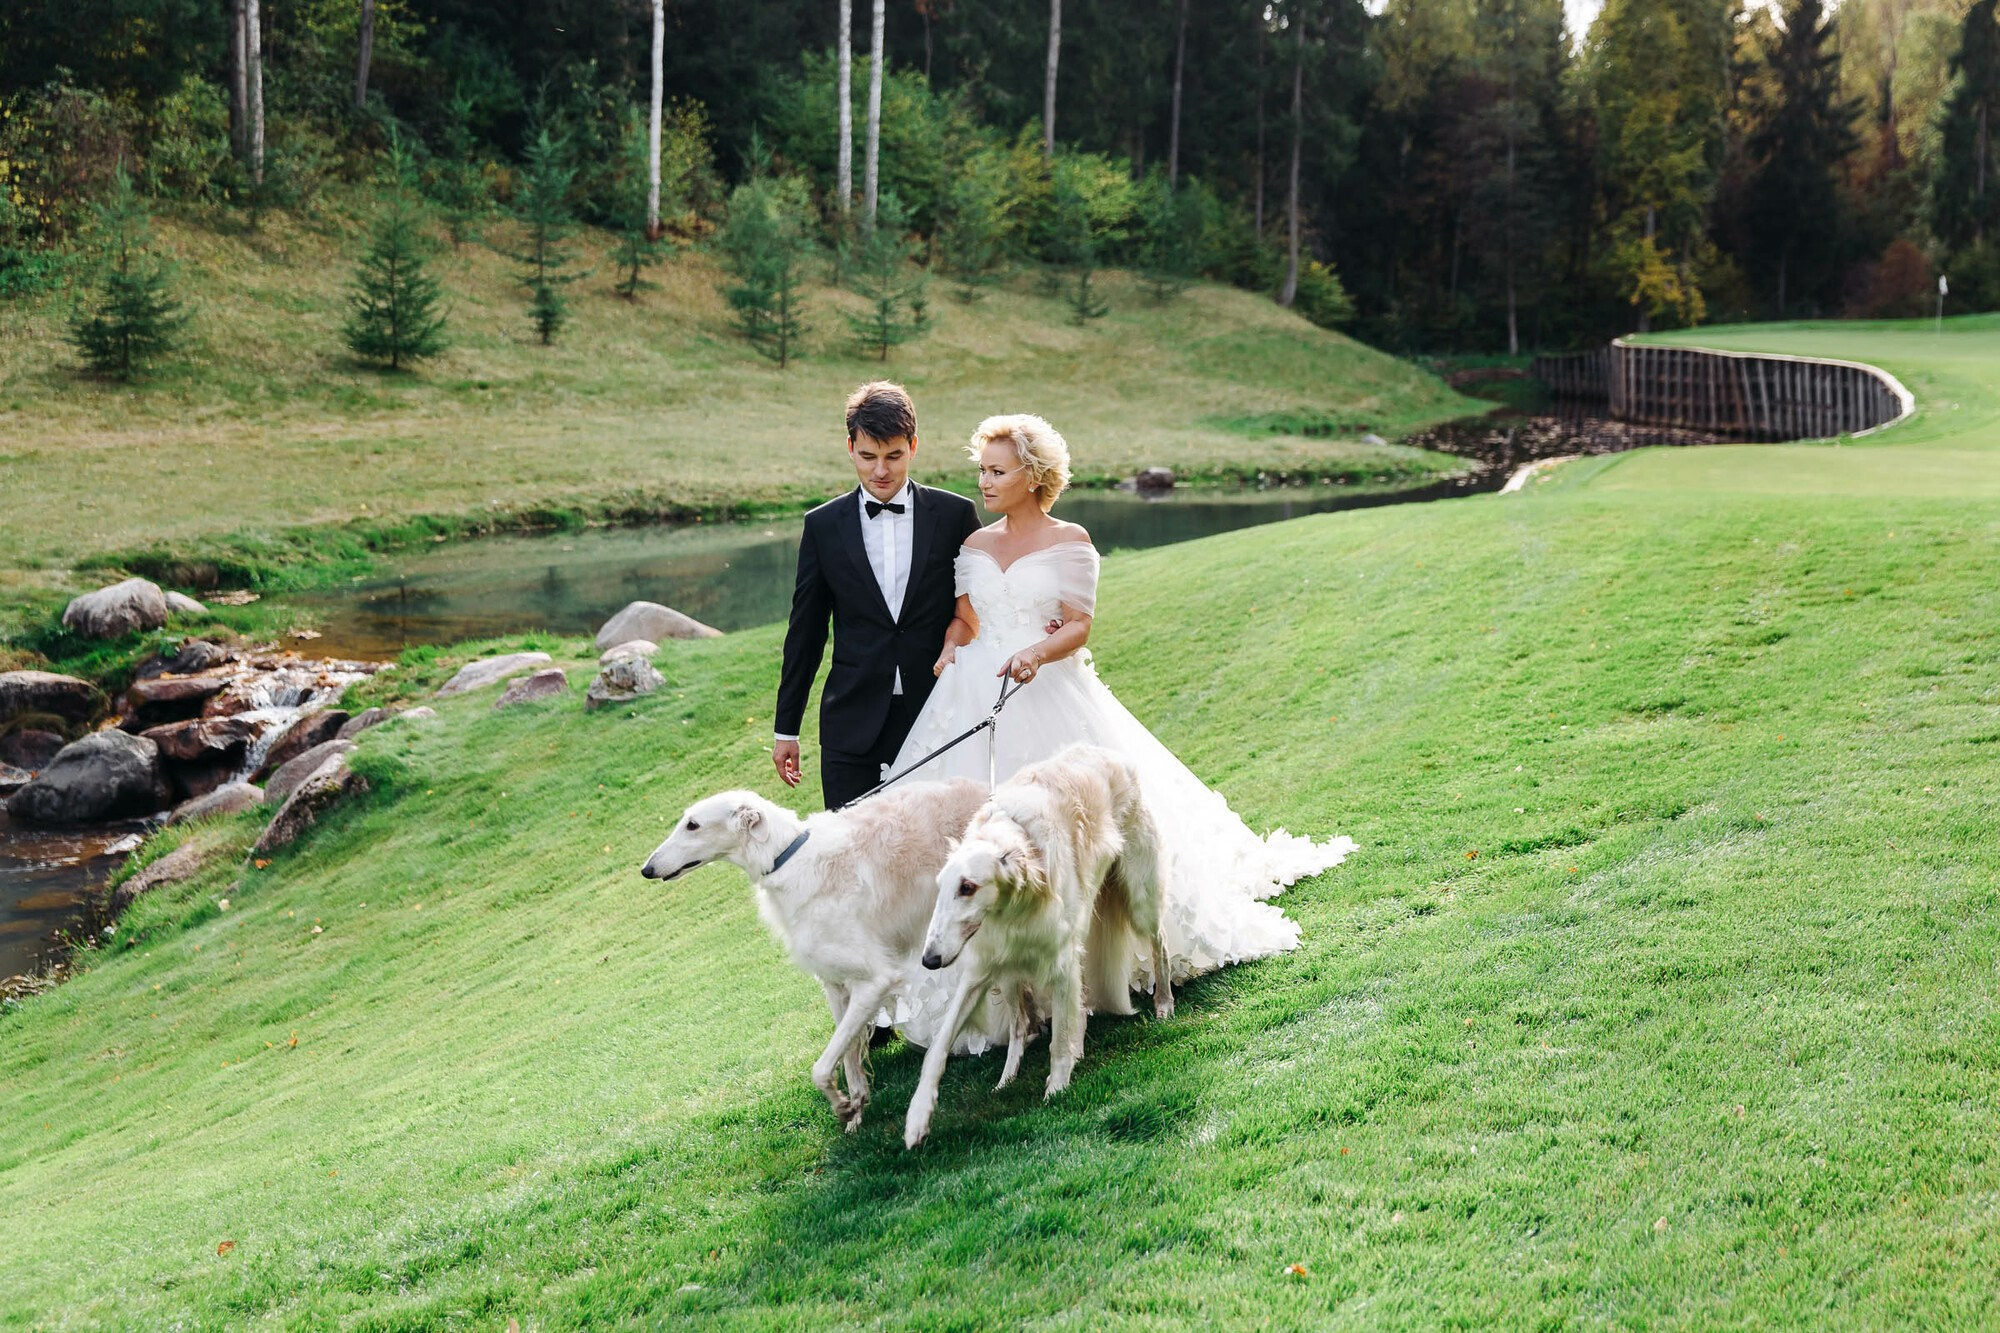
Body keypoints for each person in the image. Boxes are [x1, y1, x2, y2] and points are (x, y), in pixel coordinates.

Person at [883, 413, 1357, 1051]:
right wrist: (949, 646)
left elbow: (1078, 624)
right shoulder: (974, 547)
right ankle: (990, 981)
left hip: (1045, 686)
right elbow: (967, 619)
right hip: (972, 691)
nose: (985, 481)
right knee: (967, 840)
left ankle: (1104, 957)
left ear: (1034, 475)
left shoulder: (1072, 540)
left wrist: (1038, 654)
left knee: (1074, 832)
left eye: (997, 471)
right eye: (983, 470)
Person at [773, 381, 981, 811]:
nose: (880, 471)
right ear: (850, 447)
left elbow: (987, 600)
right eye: (868, 457)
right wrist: (786, 730)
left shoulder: (955, 515)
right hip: (851, 725)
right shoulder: (822, 526)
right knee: (852, 856)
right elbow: (806, 634)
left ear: (913, 446)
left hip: (939, 715)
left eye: (893, 456)